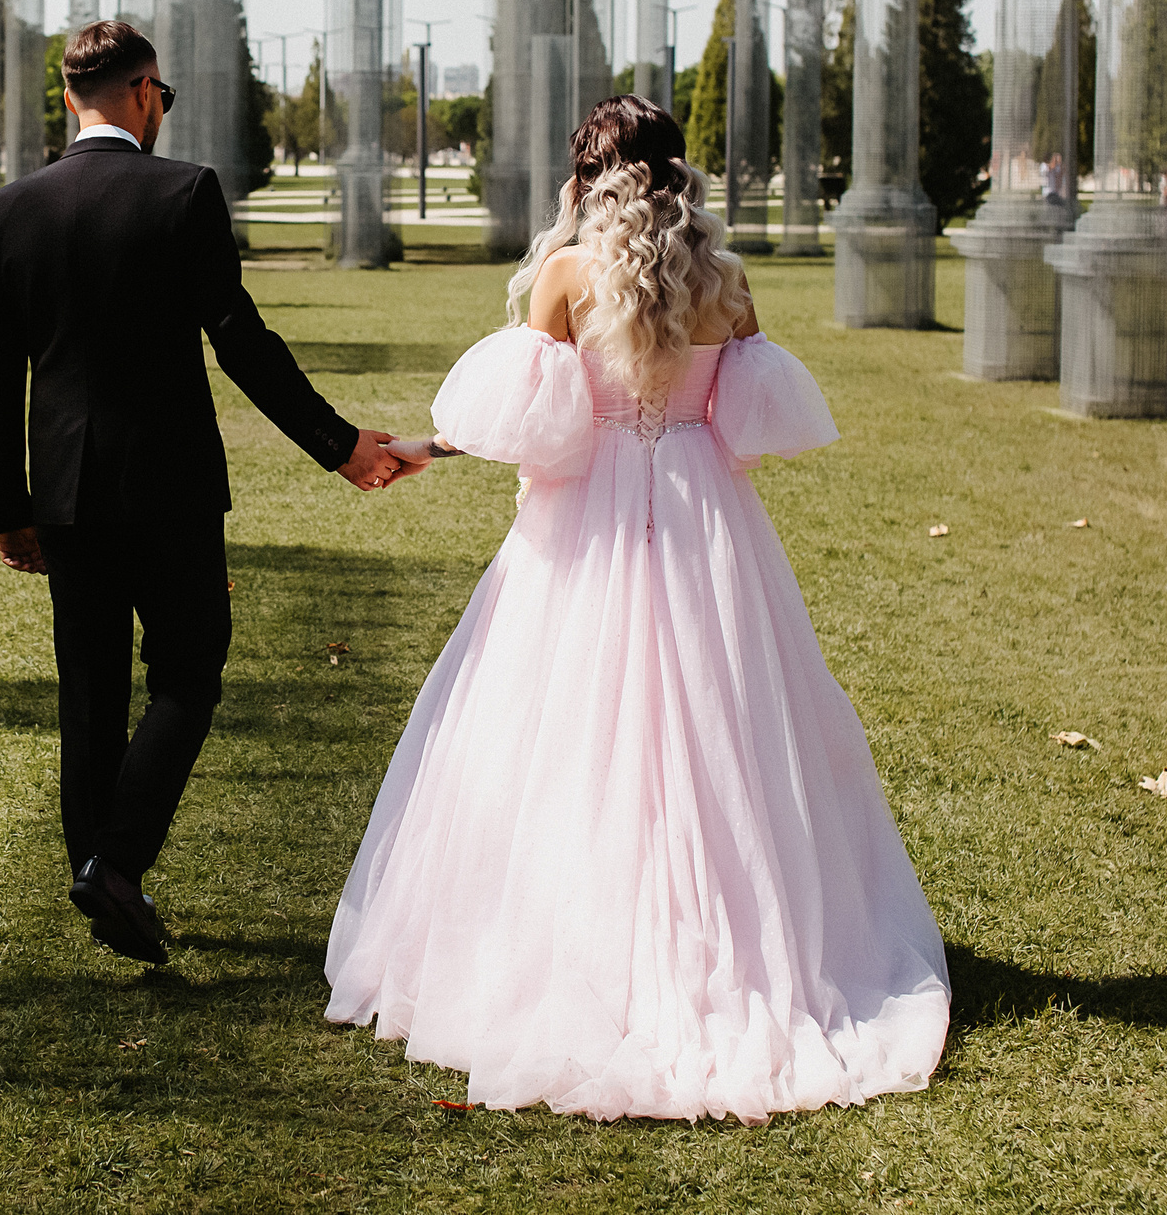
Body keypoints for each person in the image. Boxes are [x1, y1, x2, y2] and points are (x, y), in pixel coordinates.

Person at [325, 95, 950, 1122]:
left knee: (566, 729)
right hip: (709, 523)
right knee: (723, 726)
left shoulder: (568, 275)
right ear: (675, 173)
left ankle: (583, 942)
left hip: (589, 519)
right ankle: (741, 937)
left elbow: (529, 426)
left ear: (586, 178)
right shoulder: (725, 280)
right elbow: (747, 426)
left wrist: (424, 449)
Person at [0, 19, 422, 968]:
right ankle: (116, 865)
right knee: (188, 670)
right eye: (162, 97)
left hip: (64, 491)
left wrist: (9, 507)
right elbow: (240, 340)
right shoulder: (184, 191)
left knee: (89, 688)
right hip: (169, 485)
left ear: (68, 97)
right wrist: (338, 445)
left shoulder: (13, 207)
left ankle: (100, 872)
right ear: (144, 93)